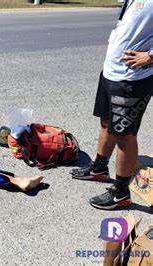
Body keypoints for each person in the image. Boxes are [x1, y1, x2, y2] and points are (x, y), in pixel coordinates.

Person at [70, 0, 152, 210]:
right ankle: (99, 169)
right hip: (112, 72)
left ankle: (121, 192)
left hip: (133, 79)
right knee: (106, 123)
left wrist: (150, 56)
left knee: (125, 136)